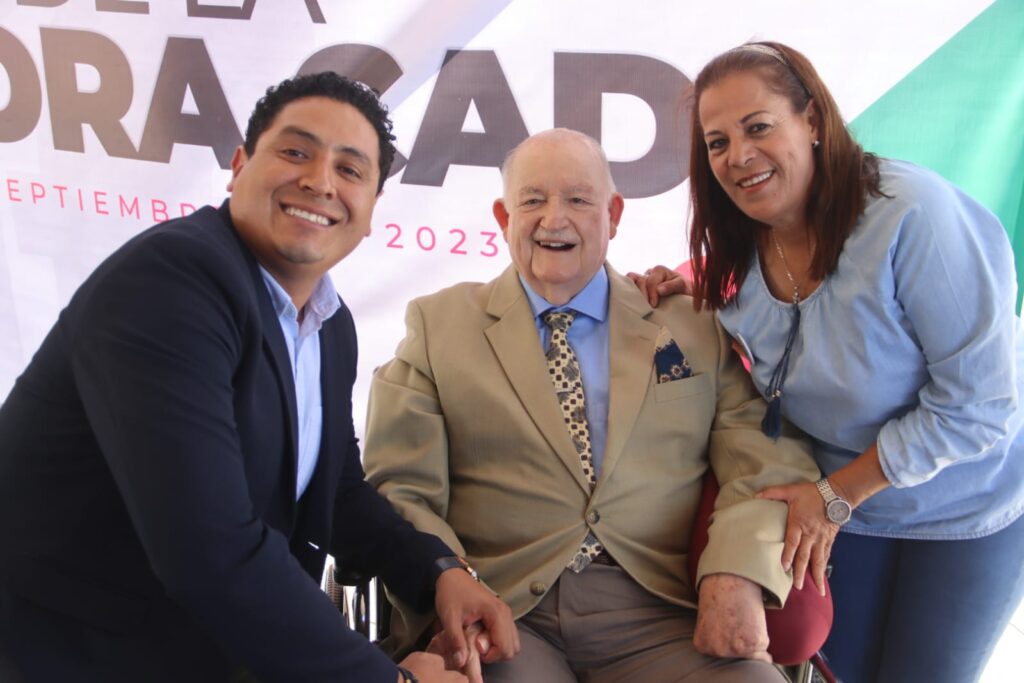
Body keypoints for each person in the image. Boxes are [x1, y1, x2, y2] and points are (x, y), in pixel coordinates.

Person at [0, 72, 518, 683]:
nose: (320, 181)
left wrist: (439, 573)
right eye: (295, 152)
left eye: (351, 171)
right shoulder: (170, 284)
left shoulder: (328, 322)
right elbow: (210, 552)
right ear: (239, 165)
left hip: (209, 648)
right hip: (70, 653)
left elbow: (340, 492)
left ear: (373, 209)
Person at [362, 128, 822, 682]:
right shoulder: (438, 327)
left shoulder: (694, 326)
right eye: (532, 200)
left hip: (660, 612)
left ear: (614, 214)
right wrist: (450, 582)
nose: (554, 219)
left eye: (579, 199)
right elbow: (400, 487)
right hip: (505, 614)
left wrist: (738, 573)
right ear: (505, 219)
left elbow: (767, 463)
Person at [633, 41, 1024, 683]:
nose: (738, 157)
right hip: (847, 507)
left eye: (758, 127)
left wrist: (836, 497)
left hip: (965, 504)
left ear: (812, 121)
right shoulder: (738, 243)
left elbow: (980, 406)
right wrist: (676, 291)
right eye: (717, 142)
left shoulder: (913, 216)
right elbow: (753, 320)